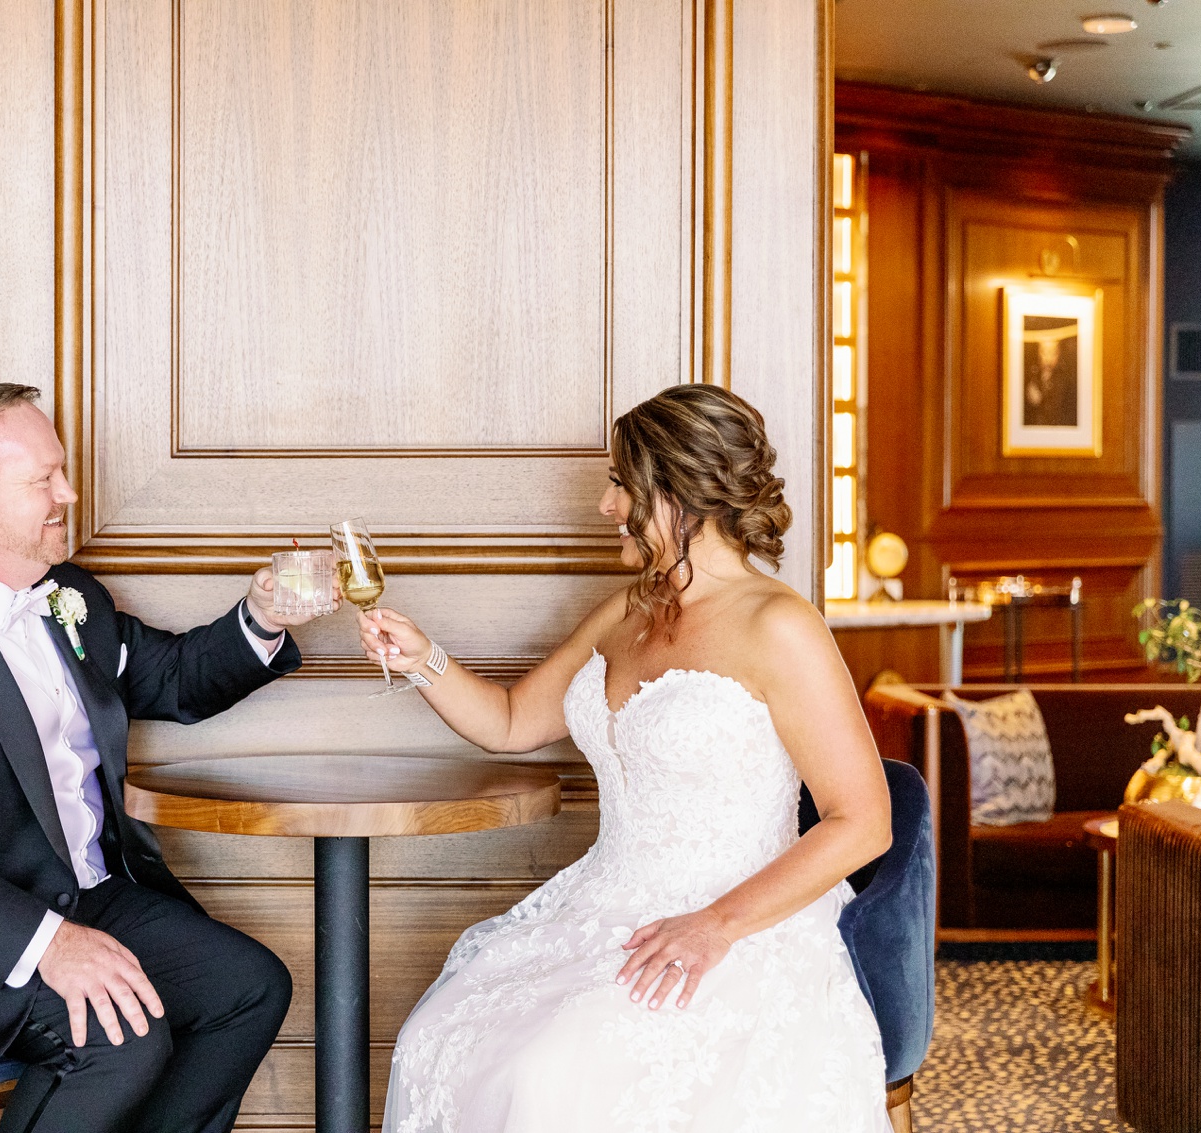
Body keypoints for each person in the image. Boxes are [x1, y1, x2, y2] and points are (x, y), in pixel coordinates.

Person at [0, 382, 321, 1133]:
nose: (68, 493)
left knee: (247, 987)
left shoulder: (68, 595)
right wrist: (48, 944)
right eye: (44, 479)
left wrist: (261, 616)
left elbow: (167, 676)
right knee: (115, 1037)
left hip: (75, 893)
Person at [362, 385, 895, 1133]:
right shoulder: (628, 609)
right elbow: (512, 721)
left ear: (682, 492)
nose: (607, 504)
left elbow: (864, 820)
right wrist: (422, 660)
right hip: (601, 905)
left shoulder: (780, 625)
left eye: (623, 484)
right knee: (434, 1038)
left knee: (551, 1078)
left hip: (738, 923)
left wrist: (714, 924)